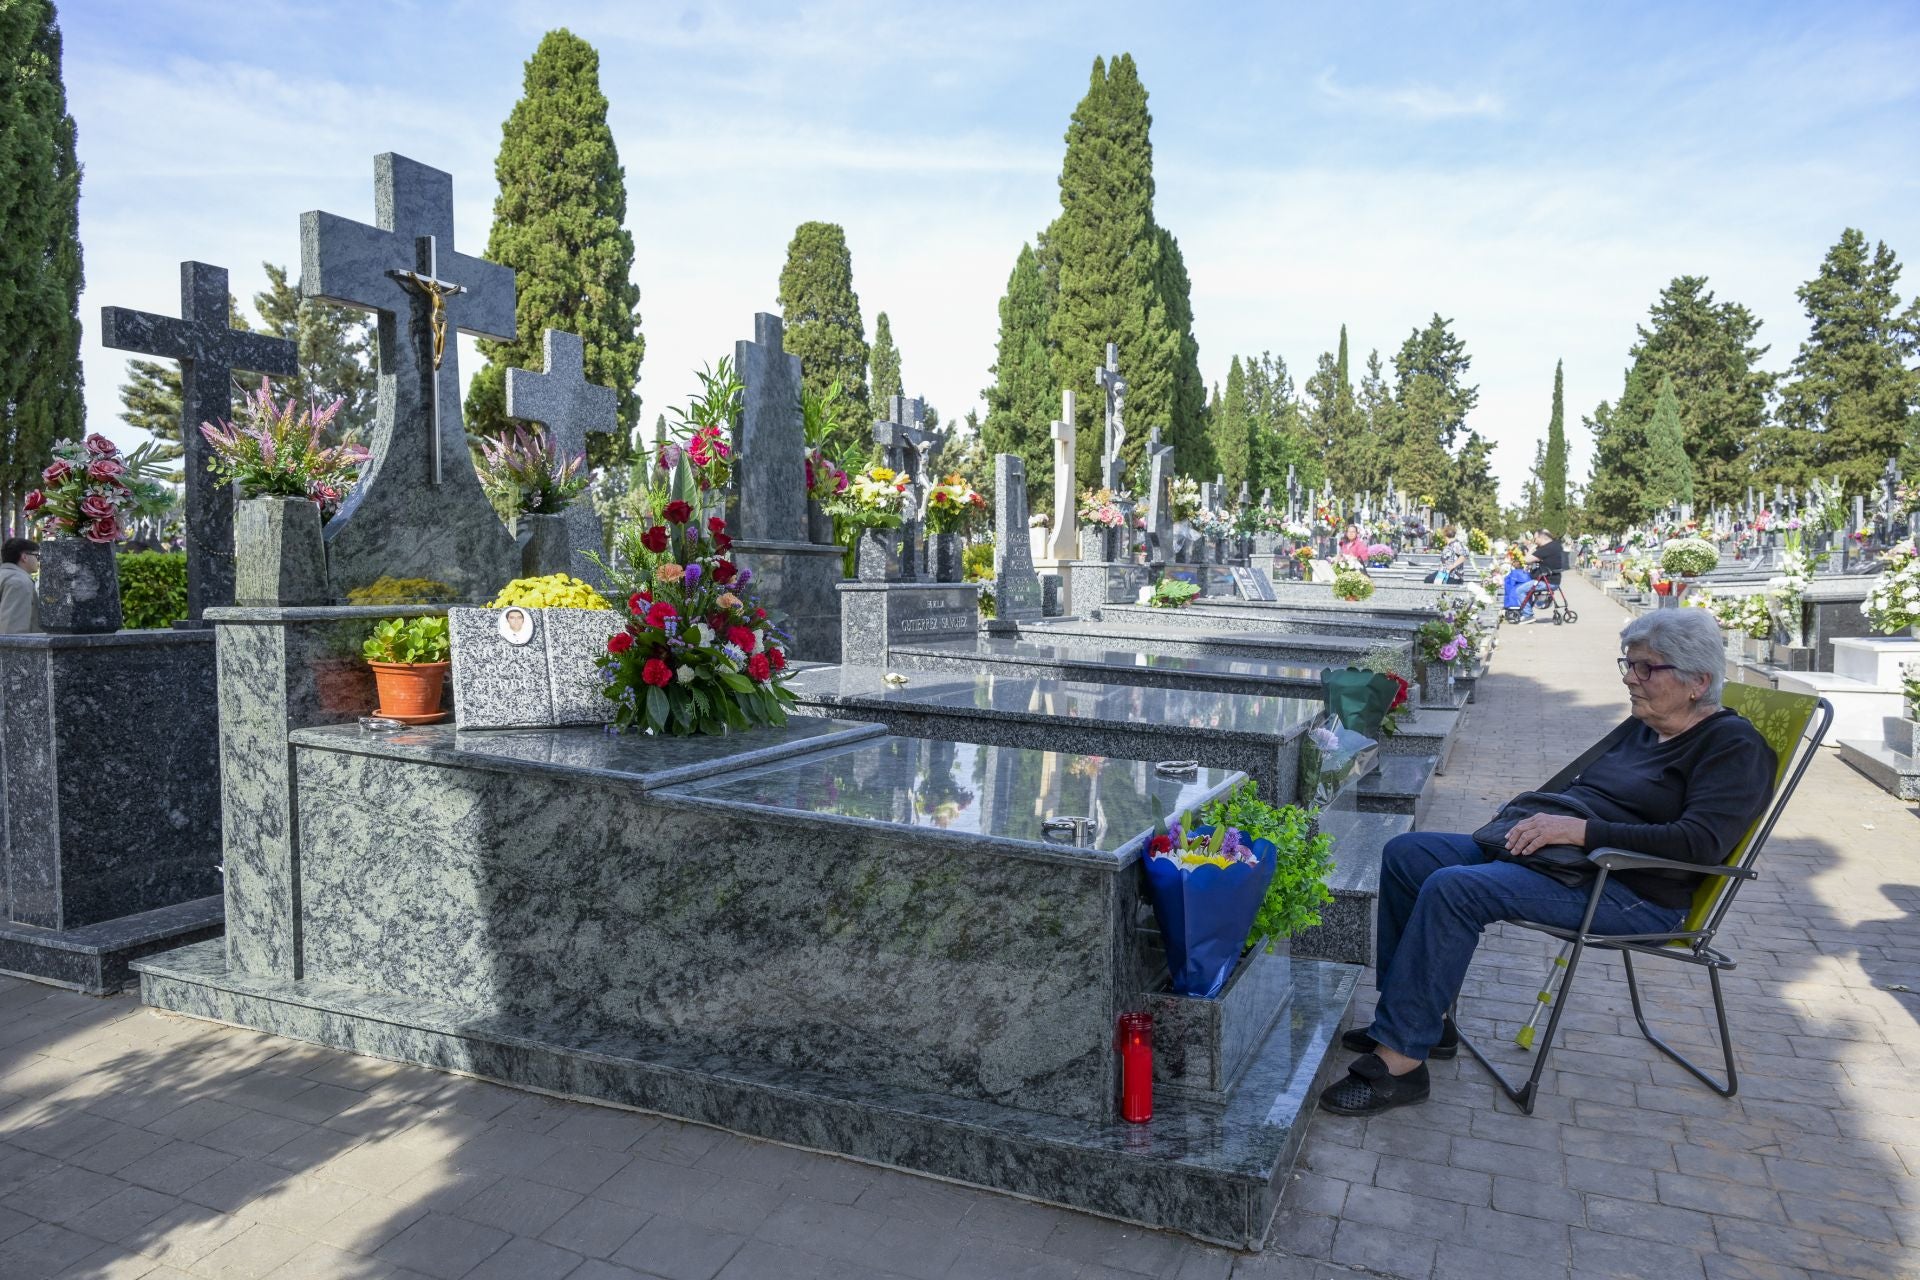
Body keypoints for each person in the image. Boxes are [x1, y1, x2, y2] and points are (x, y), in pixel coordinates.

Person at [1319, 608, 1776, 1116]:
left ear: (1698, 682)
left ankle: (1401, 1061)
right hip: (1568, 861)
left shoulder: (1734, 746)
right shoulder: (1645, 727)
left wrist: (1580, 831)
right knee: (1410, 853)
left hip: (1635, 893)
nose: (1630, 677)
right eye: (1628, 663)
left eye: (1647, 668)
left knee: (1455, 888)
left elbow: (1701, 843)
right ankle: (1423, 1022)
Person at [0, 538, 40, 633]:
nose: (38, 560)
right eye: (36, 556)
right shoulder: (20, 582)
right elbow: (13, 629)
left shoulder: (4, 575)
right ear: (24, 557)